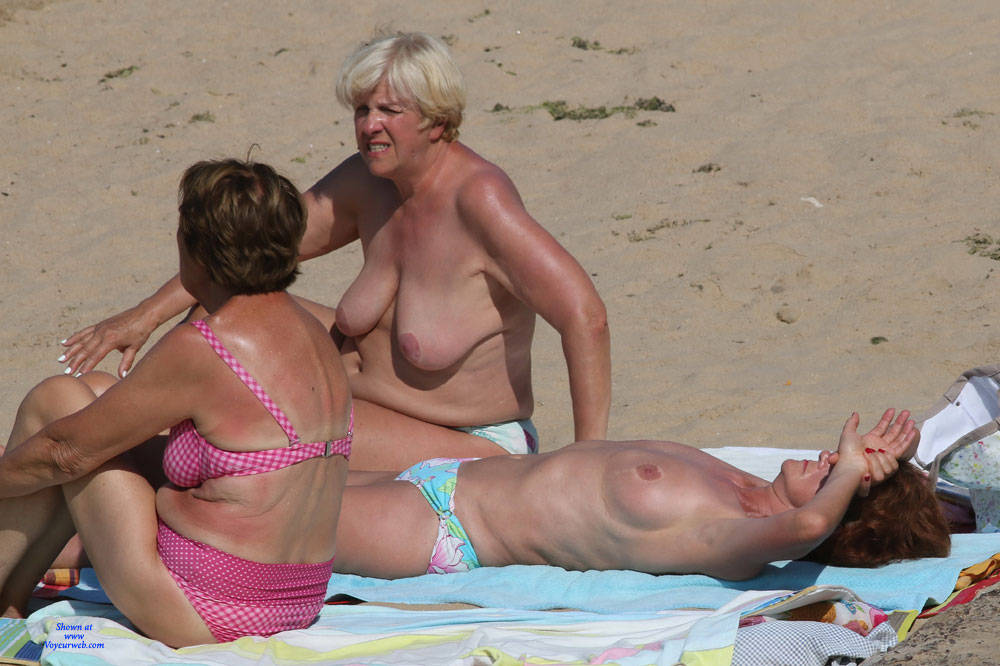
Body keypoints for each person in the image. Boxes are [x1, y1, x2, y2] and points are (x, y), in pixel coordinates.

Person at [57, 31, 611, 470]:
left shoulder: (480, 201)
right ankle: (104, 433)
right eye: (361, 109)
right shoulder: (368, 183)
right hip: (357, 404)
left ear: (437, 120)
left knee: (252, 425)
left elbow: (584, 315)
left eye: (389, 111)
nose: (370, 126)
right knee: (217, 313)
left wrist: (589, 462)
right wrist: (143, 316)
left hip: (468, 441)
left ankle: (94, 450)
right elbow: (243, 251)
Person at [0, 159, 353, 647]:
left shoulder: (209, 344)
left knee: (56, 404)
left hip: (209, 610)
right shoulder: (311, 332)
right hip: (296, 601)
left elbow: (66, 453)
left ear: (197, 249)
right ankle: (10, 598)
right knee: (97, 393)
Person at [332, 409, 950, 580]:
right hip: (454, 473)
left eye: (839, 473)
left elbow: (807, 527)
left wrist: (847, 474)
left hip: (443, 528)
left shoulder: (730, 542)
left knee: (274, 502)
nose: (832, 456)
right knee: (289, 456)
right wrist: (875, 463)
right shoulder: (744, 483)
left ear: (837, 511)